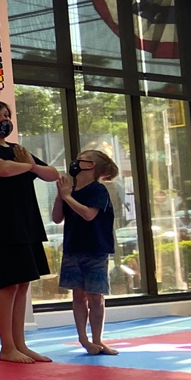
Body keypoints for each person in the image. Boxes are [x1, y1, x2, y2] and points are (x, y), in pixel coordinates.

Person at [0, 100, 61, 363]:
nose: (4, 120)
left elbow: (52, 173)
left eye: (7, 115)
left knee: (23, 284)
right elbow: (3, 169)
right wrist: (30, 166)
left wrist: (30, 164)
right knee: (7, 284)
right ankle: (6, 347)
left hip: (26, 224)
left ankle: (20, 344)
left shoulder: (18, 150)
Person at [53, 149, 120, 356]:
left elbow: (89, 214)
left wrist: (67, 197)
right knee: (78, 296)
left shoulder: (98, 190)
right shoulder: (69, 190)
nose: (76, 162)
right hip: (73, 249)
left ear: (90, 166)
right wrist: (61, 197)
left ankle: (98, 339)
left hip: (96, 250)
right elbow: (57, 218)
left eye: (81, 159)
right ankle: (83, 338)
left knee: (95, 297)